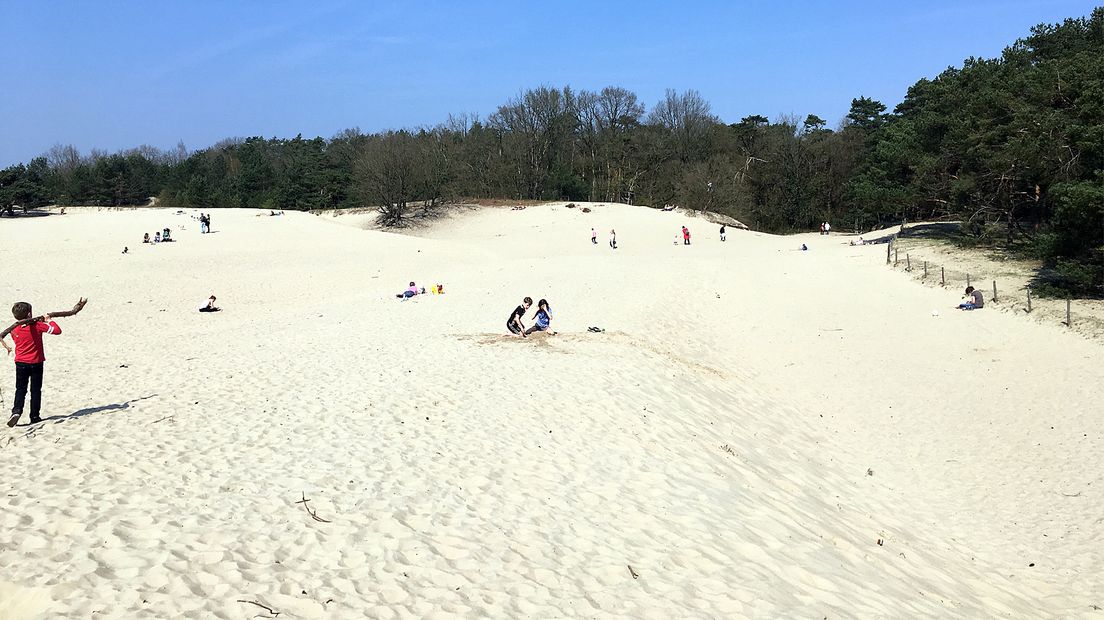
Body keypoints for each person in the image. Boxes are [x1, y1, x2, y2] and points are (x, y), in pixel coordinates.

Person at [3, 303, 62, 427]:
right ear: (29, 314)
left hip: (20, 363)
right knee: (35, 390)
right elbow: (57, 331)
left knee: (20, 389)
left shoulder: (14, 329)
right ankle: (34, 416)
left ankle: (16, 411)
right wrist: (49, 320)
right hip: (36, 362)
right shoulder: (37, 326)